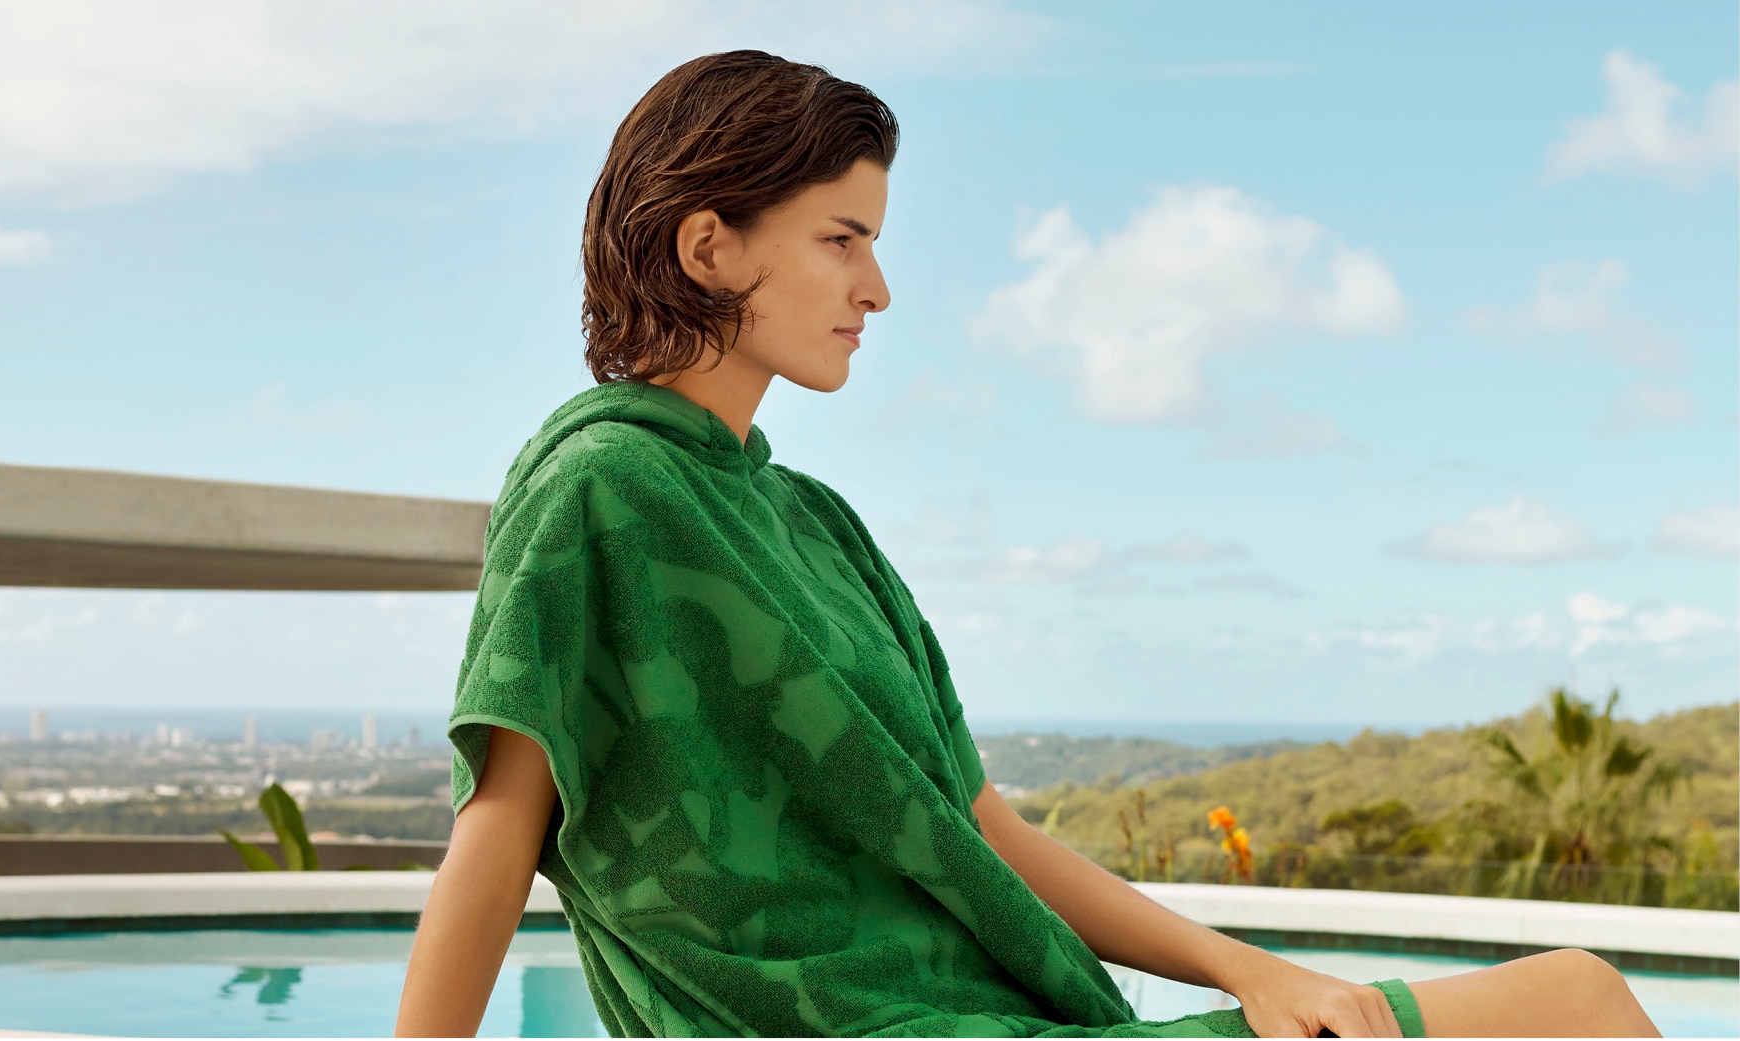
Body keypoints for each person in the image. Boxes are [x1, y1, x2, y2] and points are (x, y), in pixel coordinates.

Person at [395, 50, 1661, 1039]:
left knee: (1570, 997)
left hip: (980, 1017)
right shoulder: (598, 491)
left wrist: (1251, 969)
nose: (876, 289)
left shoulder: (816, 524)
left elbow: (983, 831)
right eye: (843, 239)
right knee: (1579, 1002)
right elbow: (499, 832)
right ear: (709, 244)